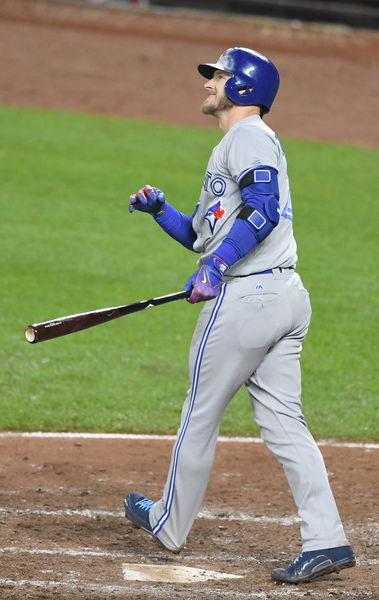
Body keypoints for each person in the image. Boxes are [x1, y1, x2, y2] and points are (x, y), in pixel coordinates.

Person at [123, 47, 355, 584]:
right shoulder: (238, 146)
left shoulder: (248, 137)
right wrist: (162, 212)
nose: (209, 83)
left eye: (219, 76)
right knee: (285, 424)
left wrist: (218, 267)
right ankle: (327, 540)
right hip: (284, 297)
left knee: (198, 413)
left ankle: (169, 524)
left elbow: (263, 210)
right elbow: (203, 237)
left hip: (246, 300)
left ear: (244, 87)